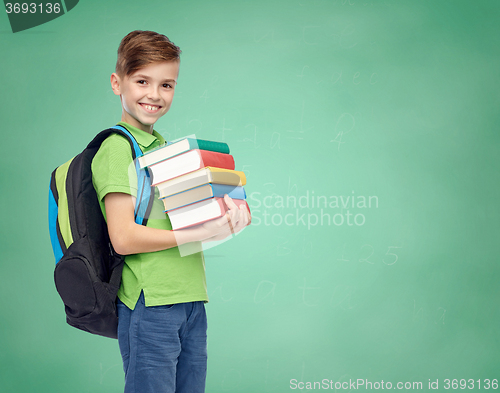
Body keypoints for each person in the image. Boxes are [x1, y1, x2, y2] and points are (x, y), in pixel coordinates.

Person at [91, 30, 250, 393]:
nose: (155, 95)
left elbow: (188, 216)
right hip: (151, 303)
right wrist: (199, 235)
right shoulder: (118, 149)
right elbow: (124, 238)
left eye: (167, 85)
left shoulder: (164, 147)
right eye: (142, 81)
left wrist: (230, 219)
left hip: (190, 298)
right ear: (118, 83)